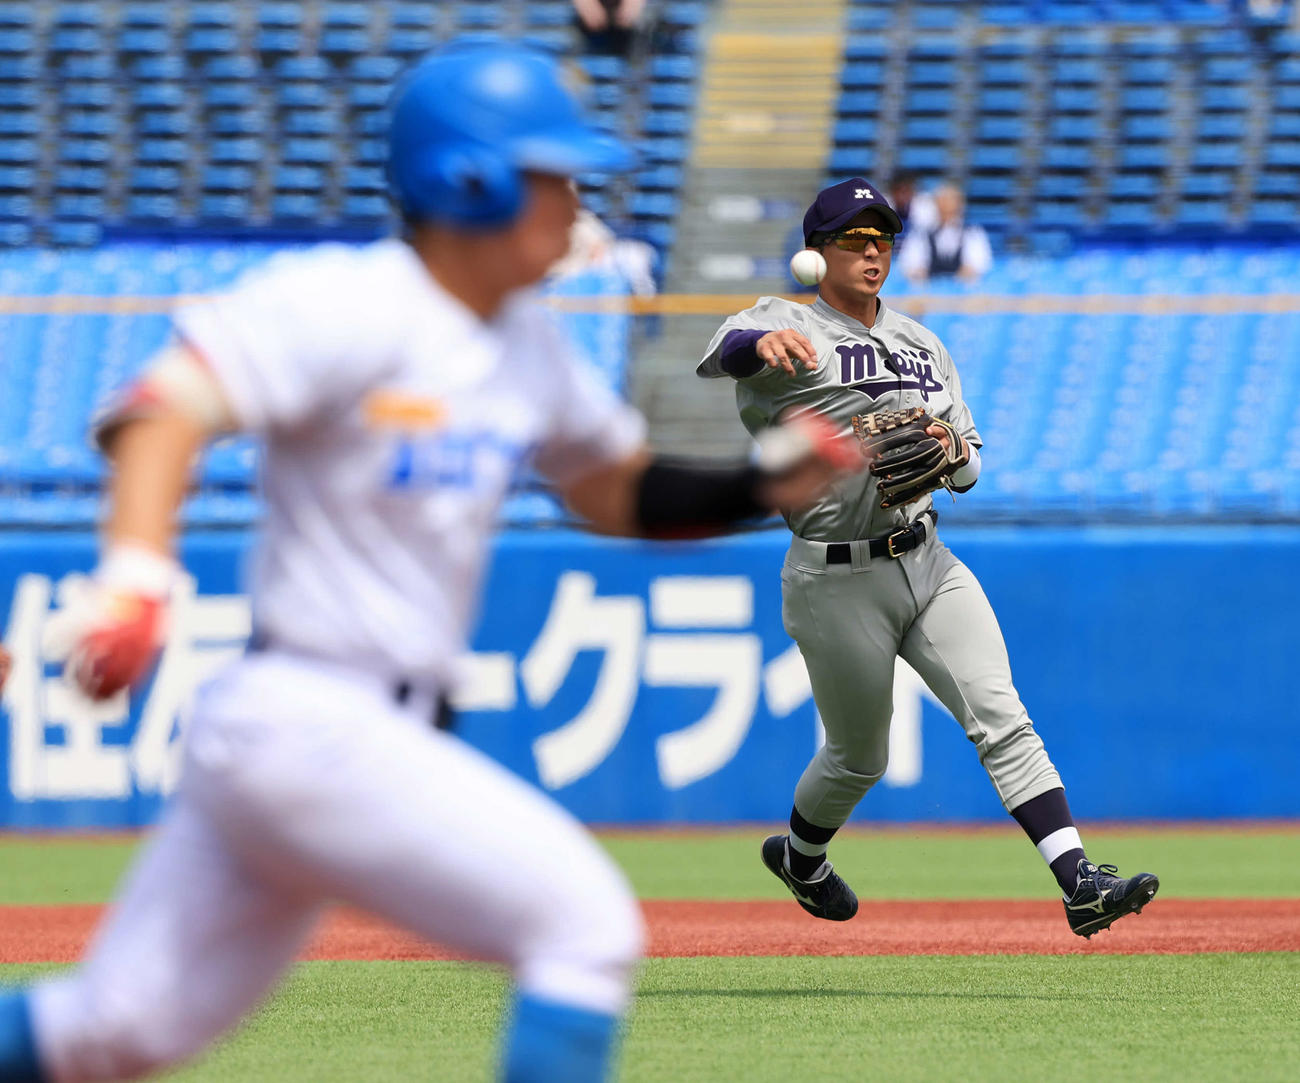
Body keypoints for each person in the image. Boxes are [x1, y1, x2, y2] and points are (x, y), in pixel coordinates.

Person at [0, 42, 854, 1083]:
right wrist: (133, 581)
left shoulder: (526, 343)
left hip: (328, 737)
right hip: (311, 716)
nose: (577, 197)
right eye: (555, 173)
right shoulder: (351, 302)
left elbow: (612, 487)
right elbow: (162, 407)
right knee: (581, 925)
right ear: (474, 181)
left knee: (111, 1032)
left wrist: (758, 480)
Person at [696, 176, 1160, 937]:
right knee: (858, 756)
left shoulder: (922, 343)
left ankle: (1078, 879)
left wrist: (948, 447)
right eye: (855, 238)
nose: (874, 250)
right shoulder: (786, 322)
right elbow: (721, 354)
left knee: (1001, 714)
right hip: (833, 572)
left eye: (884, 238)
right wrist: (762, 345)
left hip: (929, 557)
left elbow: (972, 466)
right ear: (819, 250)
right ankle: (802, 857)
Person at [898, 181, 992, 285]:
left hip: (963, 292)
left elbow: (979, 265)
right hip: (928, 292)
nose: (946, 207)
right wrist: (919, 273)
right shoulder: (920, 234)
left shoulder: (972, 234)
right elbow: (910, 265)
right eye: (942, 203)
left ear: (960, 206)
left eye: (950, 203)